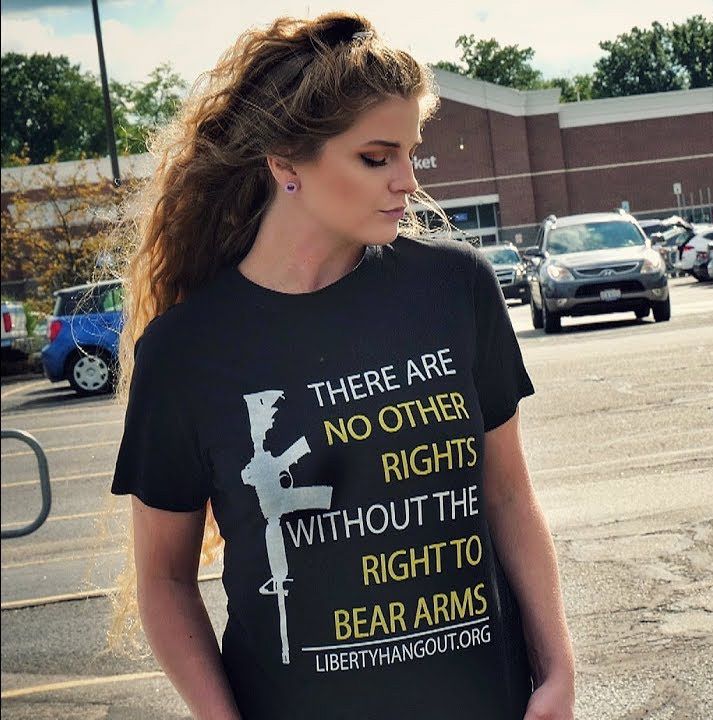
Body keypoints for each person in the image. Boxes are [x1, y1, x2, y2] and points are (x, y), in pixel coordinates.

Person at [109, 12, 573, 719]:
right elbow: (165, 579)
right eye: (377, 157)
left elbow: (508, 496)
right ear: (286, 163)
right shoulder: (186, 352)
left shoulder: (455, 290)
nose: (408, 181)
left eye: (410, 152)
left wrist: (558, 670)